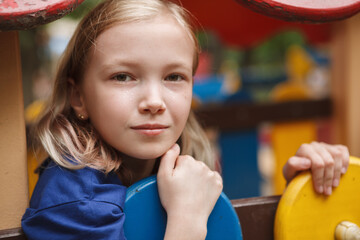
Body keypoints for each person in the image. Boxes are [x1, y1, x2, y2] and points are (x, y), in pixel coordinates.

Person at [21, 0, 349, 239]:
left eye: (174, 77)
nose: (153, 101)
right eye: (123, 77)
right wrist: (187, 219)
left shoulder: (182, 165)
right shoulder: (73, 205)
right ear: (79, 97)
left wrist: (300, 192)